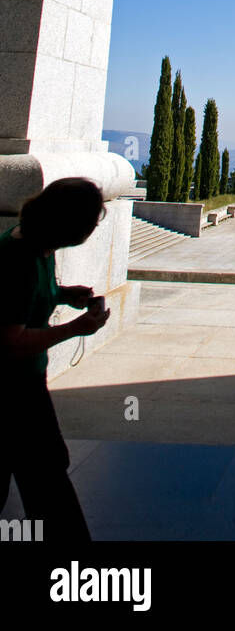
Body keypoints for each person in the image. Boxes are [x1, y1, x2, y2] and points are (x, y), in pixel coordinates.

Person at [0, 177, 111, 542]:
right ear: (70, 224)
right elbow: (11, 341)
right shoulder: (19, 260)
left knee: (43, 475)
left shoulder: (37, 244)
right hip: (12, 391)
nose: (94, 229)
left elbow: (24, 303)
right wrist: (77, 328)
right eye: (92, 222)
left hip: (26, 385)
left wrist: (64, 295)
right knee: (47, 480)